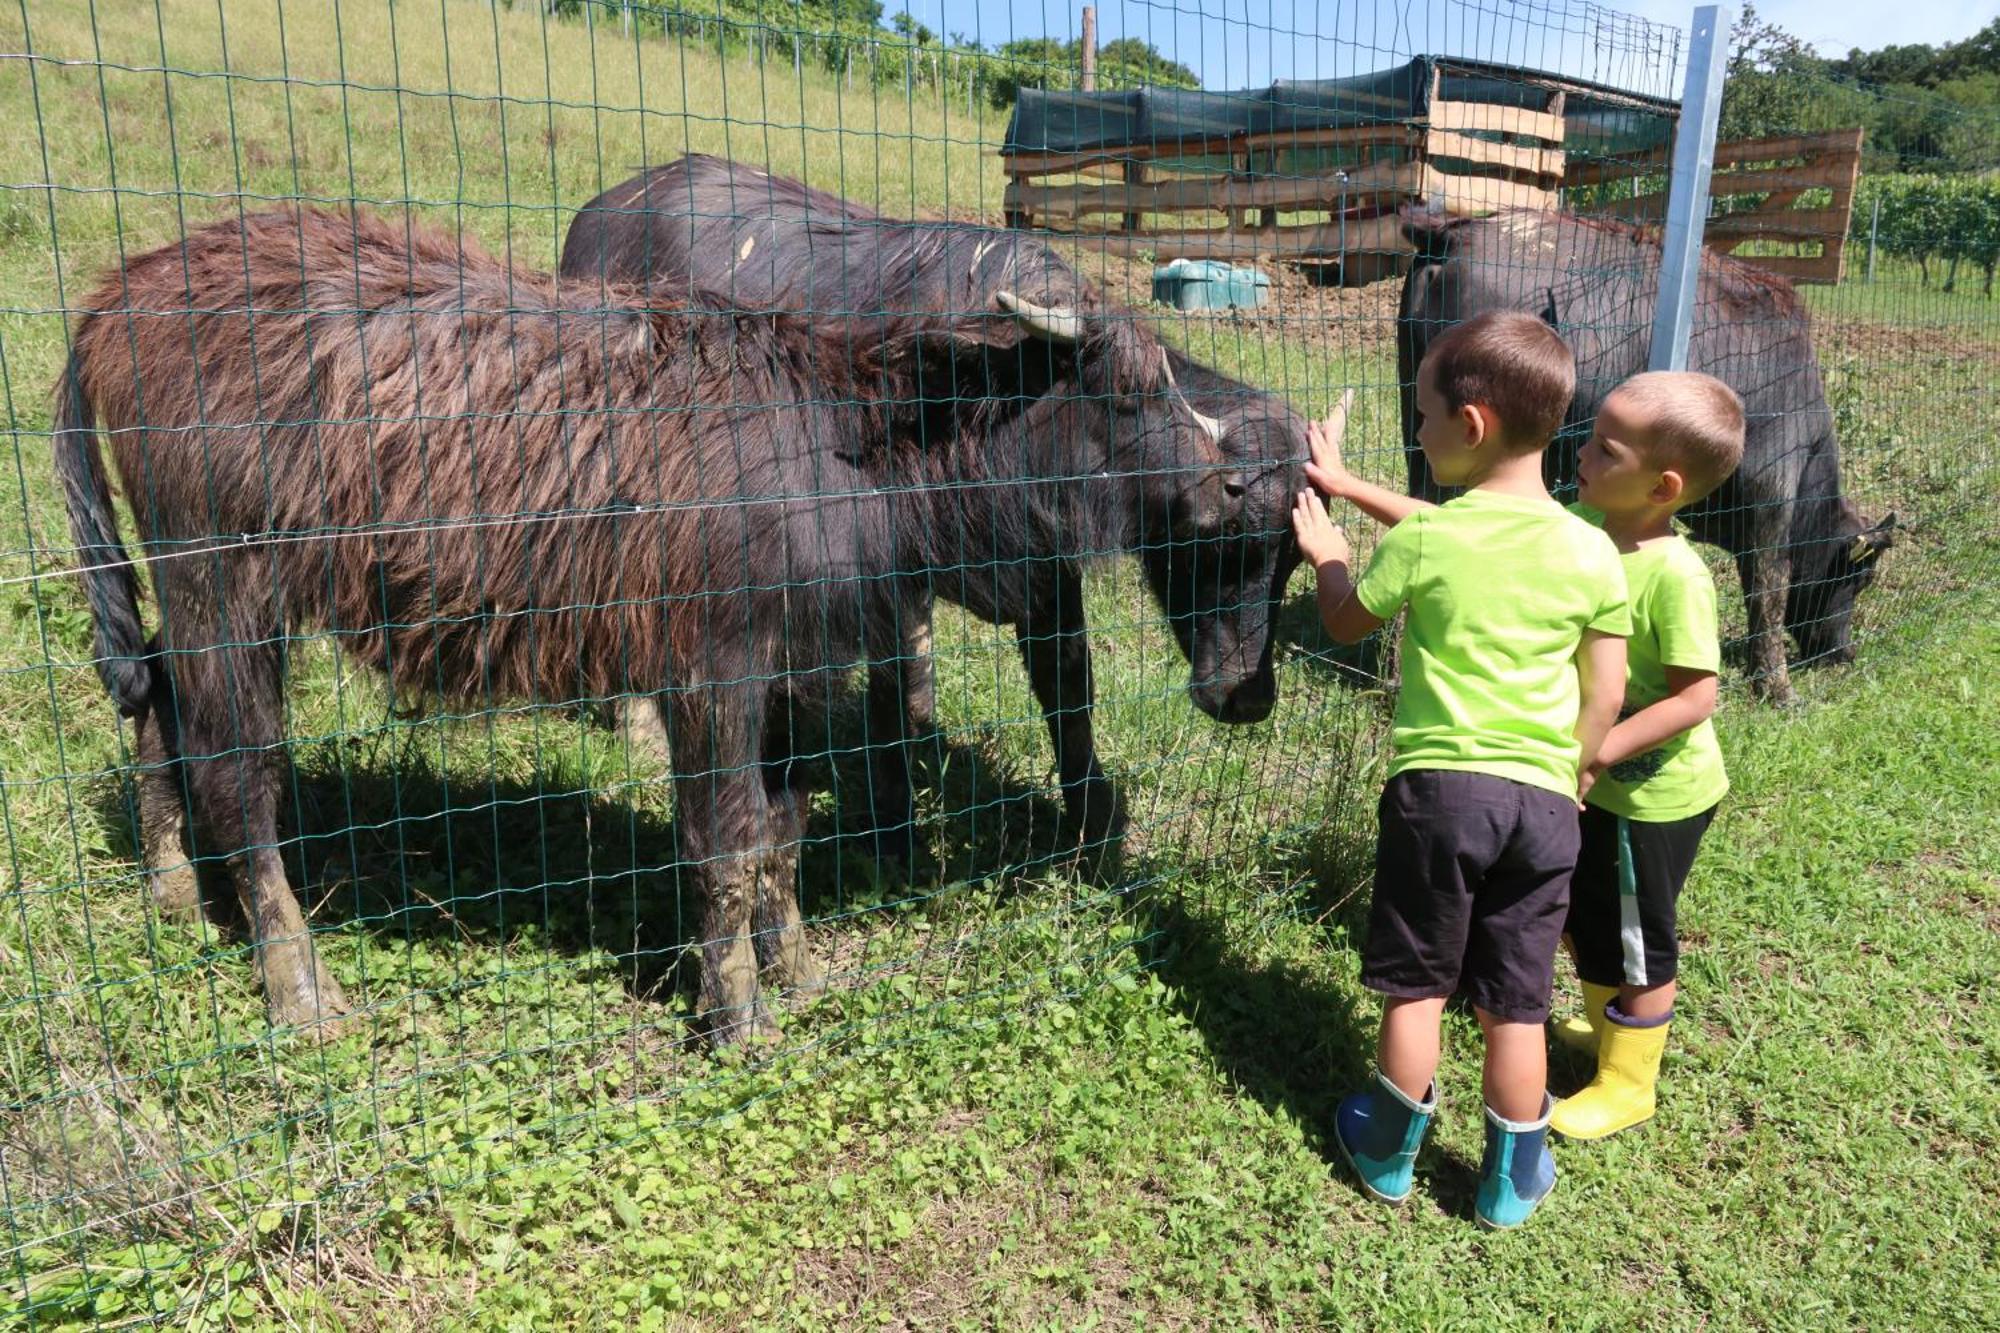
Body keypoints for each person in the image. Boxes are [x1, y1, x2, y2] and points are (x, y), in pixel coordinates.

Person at [1291, 311, 1628, 1228]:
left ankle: (1389, 1147)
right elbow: (1606, 687)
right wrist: (1578, 769)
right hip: (1549, 802)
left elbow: (1346, 620)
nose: (1420, 434)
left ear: (1471, 426)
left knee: (1420, 982)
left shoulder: (1429, 541)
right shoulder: (1593, 549)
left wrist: (1329, 554)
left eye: (1426, 418)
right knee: (1516, 999)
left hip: (1441, 795)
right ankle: (1512, 1175)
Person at [1546, 371, 1745, 1141]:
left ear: (1661, 486)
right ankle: (1606, 1033)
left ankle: (1630, 1083)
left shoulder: (1674, 576)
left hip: (1653, 800)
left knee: (1639, 935)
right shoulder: (1587, 529)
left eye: (1604, 448)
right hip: (1597, 782)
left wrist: (1600, 750)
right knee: (1591, 916)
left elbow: (1696, 697)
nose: (1583, 455)